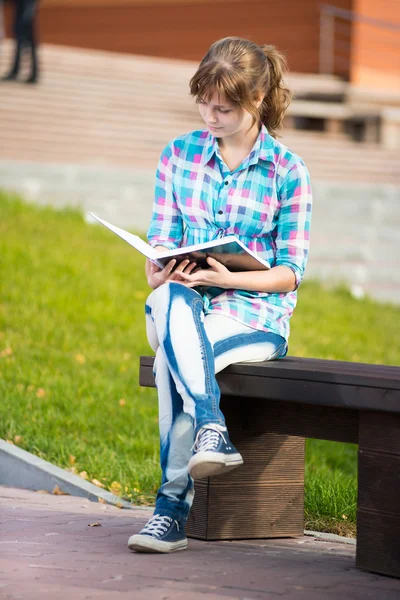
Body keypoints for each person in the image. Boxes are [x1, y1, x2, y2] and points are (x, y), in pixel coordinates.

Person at [128, 36, 312, 554]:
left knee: (174, 359)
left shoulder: (287, 172)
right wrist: (159, 266)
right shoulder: (178, 155)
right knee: (166, 303)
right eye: (203, 102)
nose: (210, 115)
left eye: (224, 107)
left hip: (255, 313)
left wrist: (222, 277)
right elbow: (161, 236)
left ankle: (169, 512)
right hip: (183, 301)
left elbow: (290, 274)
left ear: (256, 102)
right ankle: (212, 425)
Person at [1, 0, 40, 84]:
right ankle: (17, 70)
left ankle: (33, 72)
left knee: (28, 37)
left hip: (28, 4)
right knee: (20, 35)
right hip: (21, 4)